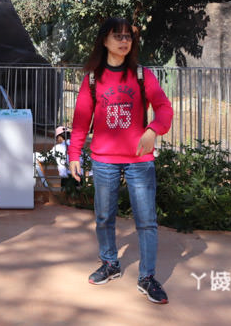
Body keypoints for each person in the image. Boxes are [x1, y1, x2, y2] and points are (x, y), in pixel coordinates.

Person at [68, 18, 174, 305]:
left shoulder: (142, 76)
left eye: (128, 36)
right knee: (104, 217)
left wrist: (154, 130)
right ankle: (110, 263)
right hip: (104, 160)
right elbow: (80, 122)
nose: (124, 41)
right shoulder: (93, 78)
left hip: (139, 160)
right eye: (117, 36)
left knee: (147, 220)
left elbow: (164, 107)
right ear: (104, 40)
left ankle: (147, 277)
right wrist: (74, 154)